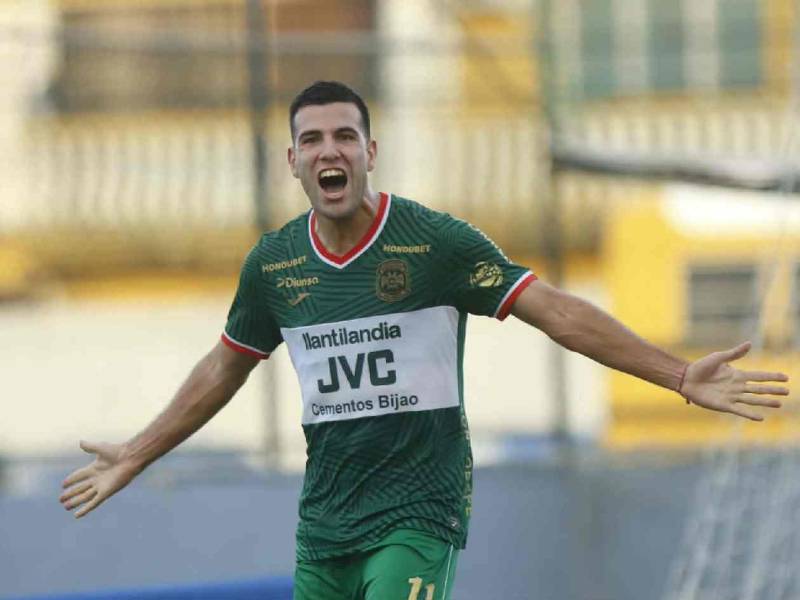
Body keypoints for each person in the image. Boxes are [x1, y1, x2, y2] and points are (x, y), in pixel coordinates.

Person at [59, 81, 790, 600]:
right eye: (312, 139)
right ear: (293, 161)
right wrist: (138, 451)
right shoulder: (274, 266)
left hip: (419, 512)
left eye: (345, 135)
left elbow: (556, 311)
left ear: (370, 150)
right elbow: (226, 365)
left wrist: (676, 375)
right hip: (325, 525)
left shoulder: (435, 243)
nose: (329, 150)